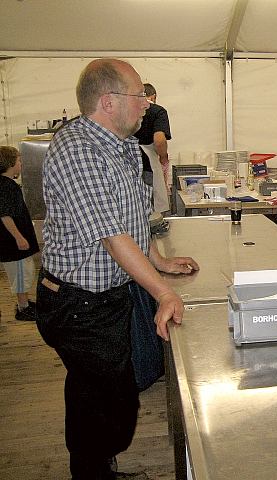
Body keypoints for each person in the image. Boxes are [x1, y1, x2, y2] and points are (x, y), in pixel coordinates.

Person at [36, 58, 199, 480]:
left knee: (110, 394)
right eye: (138, 94)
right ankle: (93, 471)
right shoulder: (76, 148)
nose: (147, 102)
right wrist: (162, 290)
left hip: (107, 299)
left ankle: (98, 465)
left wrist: (159, 262)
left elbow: (132, 221)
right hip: (76, 303)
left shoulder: (124, 145)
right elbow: (113, 236)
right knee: (102, 399)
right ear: (108, 102)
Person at [0, 146, 39, 322]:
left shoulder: (7, 184)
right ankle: (23, 308)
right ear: (9, 164)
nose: (20, 164)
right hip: (12, 242)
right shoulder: (5, 186)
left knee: (24, 271)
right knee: (21, 273)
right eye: (18, 161)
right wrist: (19, 237)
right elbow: (5, 215)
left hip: (13, 241)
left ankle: (25, 303)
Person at [134, 83, 171, 214]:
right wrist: (163, 158)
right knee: (151, 211)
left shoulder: (129, 111)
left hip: (126, 165)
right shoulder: (158, 111)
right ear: (153, 96)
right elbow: (159, 140)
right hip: (147, 166)